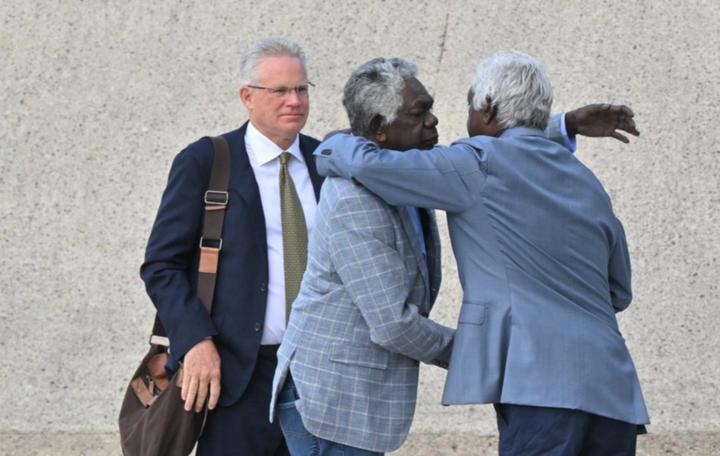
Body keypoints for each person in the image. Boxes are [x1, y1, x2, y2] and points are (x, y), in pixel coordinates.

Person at [315, 50, 649, 455]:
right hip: (614, 391)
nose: (443, 122)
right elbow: (619, 291)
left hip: (540, 388)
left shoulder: (475, 165)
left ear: (487, 109)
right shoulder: (586, 180)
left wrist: (332, 143)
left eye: (470, 103)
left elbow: (370, 165)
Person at [140, 37, 321, 455]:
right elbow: (161, 266)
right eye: (279, 90)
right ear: (247, 97)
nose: (294, 100)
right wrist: (196, 341)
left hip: (320, 376)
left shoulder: (326, 161)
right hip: (236, 379)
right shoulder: (207, 161)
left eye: (302, 89)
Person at [268, 57, 453, 456]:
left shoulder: (400, 177)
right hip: (332, 403)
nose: (434, 121)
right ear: (378, 130)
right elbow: (393, 324)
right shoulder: (355, 199)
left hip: (355, 400)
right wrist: (475, 353)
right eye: (420, 112)